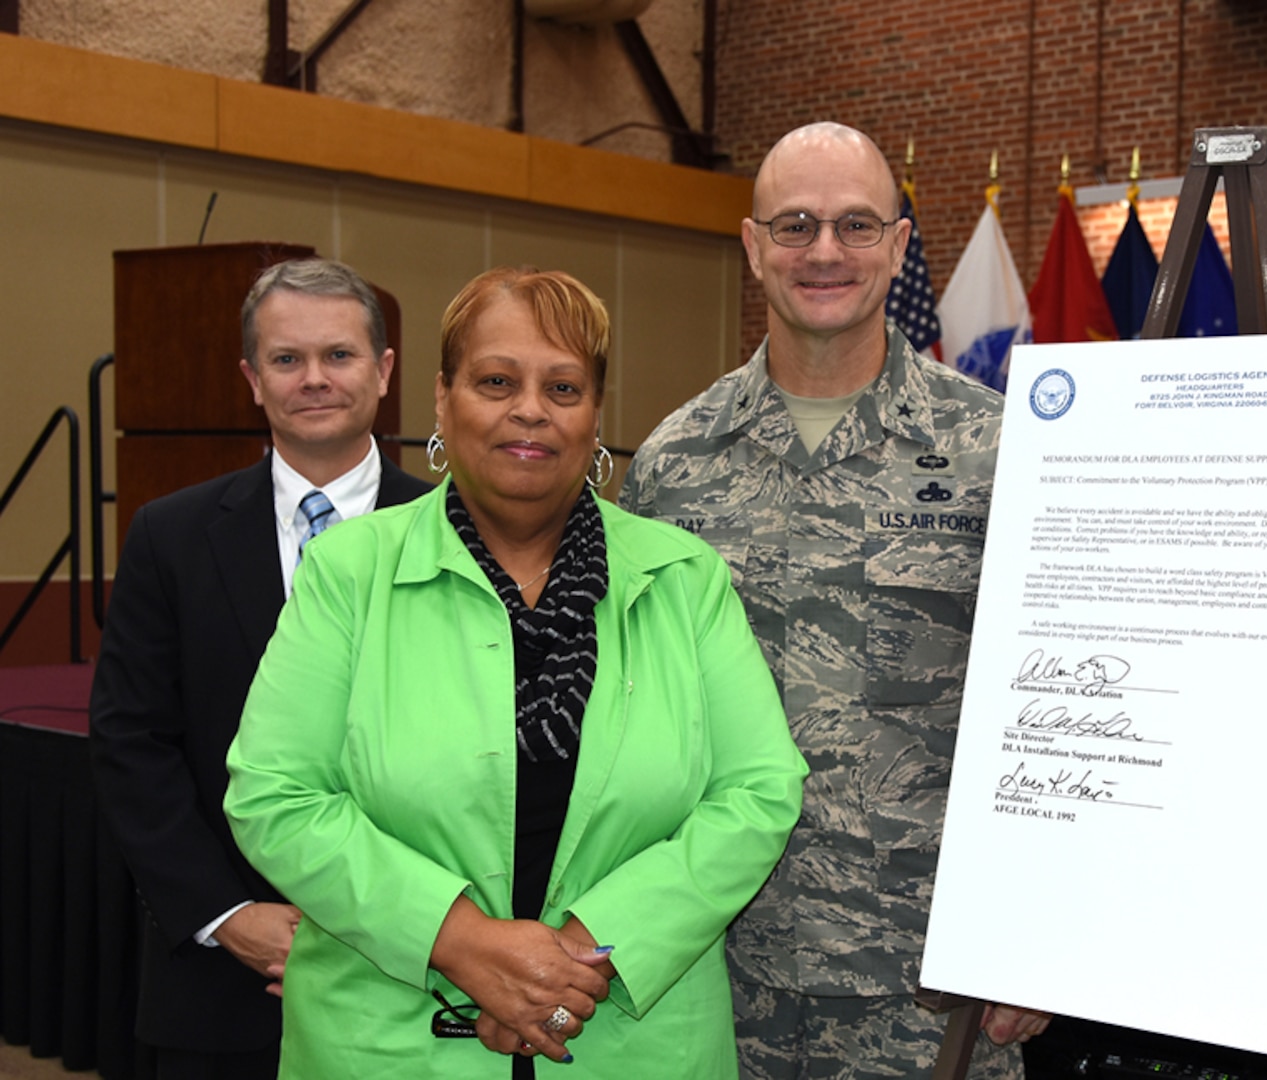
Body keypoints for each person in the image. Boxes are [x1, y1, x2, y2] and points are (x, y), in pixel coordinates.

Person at [222, 266, 808, 1079]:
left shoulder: (685, 577)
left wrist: (578, 961)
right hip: (383, 1045)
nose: (529, 409)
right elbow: (274, 794)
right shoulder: (349, 573)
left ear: (595, 414)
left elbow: (758, 792)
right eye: (496, 381)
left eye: (562, 386)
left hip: (634, 1042)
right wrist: (459, 942)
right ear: (442, 398)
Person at [619, 122, 1051, 1078]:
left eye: (857, 225)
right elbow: (631, 712)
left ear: (898, 246)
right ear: (751, 244)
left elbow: (1054, 713)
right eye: (796, 224)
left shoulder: (999, 450)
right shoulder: (673, 464)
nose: (824, 252)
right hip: (714, 967)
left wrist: (1040, 934)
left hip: (931, 982)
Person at [89, 257, 433, 1079]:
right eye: (286, 359)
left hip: (415, 972)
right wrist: (225, 913)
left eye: (339, 356)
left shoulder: (453, 534)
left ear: (385, 371)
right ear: (252, 379)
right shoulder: (168, 537)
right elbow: (131, 741)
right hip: (222, 980)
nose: (313, 378)